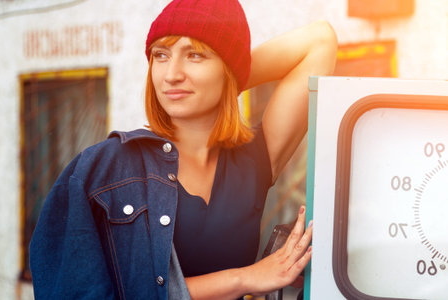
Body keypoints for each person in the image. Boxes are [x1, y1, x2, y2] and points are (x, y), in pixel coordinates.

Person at [29, 0, 337, 299]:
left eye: (195, 55)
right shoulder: (105, 168)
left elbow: (320, 41)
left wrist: (228, 79)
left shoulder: (254, 160)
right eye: (161, 55)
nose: (172, 74)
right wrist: (244, 278)